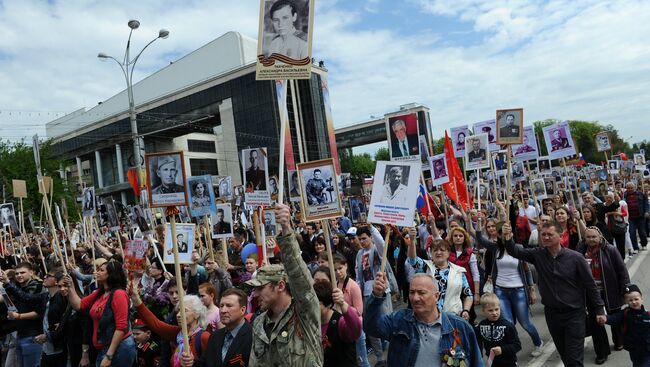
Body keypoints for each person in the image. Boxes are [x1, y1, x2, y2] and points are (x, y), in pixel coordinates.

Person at [505, 221, 607, 366]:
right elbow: (515, 251)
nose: (545, 237)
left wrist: (599, 310)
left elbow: (591, 286)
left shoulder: (576, 258)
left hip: (574, 314)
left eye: (550, 234)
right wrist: (508, 236)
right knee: (565, 356)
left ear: (560, 236)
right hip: (552, 315)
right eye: (543, 234)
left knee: (574, 359)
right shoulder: (538, 254)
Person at [246, 203, 322, 366]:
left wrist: (286, 229)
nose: (256, 294)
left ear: (280, 286)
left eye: (261, 288)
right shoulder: (259, 323)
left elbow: (299, 276)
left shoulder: (303, 312)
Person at [365, 272, 483, 366]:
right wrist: (377, 296)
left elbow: (476, 362)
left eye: (421, 293)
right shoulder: (399, 320)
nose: (415, 298)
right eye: (412, 292)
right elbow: (371, 327)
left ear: (436, 296)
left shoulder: (460, 327)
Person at [475, 220, 543, 356]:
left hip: (518, 290)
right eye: (501, 232)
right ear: (498, 235)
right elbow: (479, 238)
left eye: (507, 231)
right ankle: (509, 351)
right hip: (500, 290)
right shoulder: (495, 248)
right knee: (507, 322)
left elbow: (527, 270)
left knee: (525, 322)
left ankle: (538, 343)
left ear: (511, 233)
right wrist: (479, 225)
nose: (504, 234)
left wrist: (531, 288)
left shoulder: (518, 248)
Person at [63, 260, 137, 366]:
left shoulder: (119, 294)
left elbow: (121, 328)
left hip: (119, 349)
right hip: (104, 348)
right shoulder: (100, 292)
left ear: (111, 274)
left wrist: (109, 356)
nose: (96, 272)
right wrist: (70, 287)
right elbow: (79, 305)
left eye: (101, 270)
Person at [576, 226, 629, 363]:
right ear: (585, 239)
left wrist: (626, 289)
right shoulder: (580, 251)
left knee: (614, 318)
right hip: (591, 293)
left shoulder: (610, 250)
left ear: (600, 237)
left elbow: (622, 271)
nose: (591, 239)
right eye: (588, 237)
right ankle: (602, 352)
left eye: (594, 237)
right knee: (596, 323)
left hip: (610, 291)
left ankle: (619, 341)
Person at [182, 288, 252, 367]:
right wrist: (191, 363)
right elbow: (204, 364)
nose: (223, 310)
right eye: (221, 306)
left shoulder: (253, 337)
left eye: (229, 306)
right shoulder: (215, 336)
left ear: (242, 310)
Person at [313, 280, 362, 367]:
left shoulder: (340, 322)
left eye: (317, 303)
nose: (312, 307)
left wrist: (343, 304)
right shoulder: (312, 324)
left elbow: (356, 331)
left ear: (328, 304)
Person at [601, 284, 650, 367]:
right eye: (630, 300)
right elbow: (615, 318)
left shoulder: (648, 315)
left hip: (647, 349)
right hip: (634, 349)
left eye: (636, 299)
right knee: (636, 364)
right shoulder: (625, 313)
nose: (634, 302)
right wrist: (606, 319)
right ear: (626, 301)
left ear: (641, 299)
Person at [476, 293, 522, 367]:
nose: (494, 313)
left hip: (509, 362)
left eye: (496, 309)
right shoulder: (482, 325)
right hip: (492, 362)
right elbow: (478, 342)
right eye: (490, 310)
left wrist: (502, 349)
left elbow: (517, 345)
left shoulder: (508, 325)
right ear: (483, 311)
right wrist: (478, 356)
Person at [623, 182, 649, 251]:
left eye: (631, 188)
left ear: (634, 187)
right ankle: (635, 247)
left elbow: (646, 203)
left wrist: (646, 211)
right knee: (632, 233)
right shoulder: (624, 196)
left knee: (642, 232)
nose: (630, 189)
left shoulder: (641, 194)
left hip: (640, 216)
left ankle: (644, 244)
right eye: (628, 188)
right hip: (630, 218)